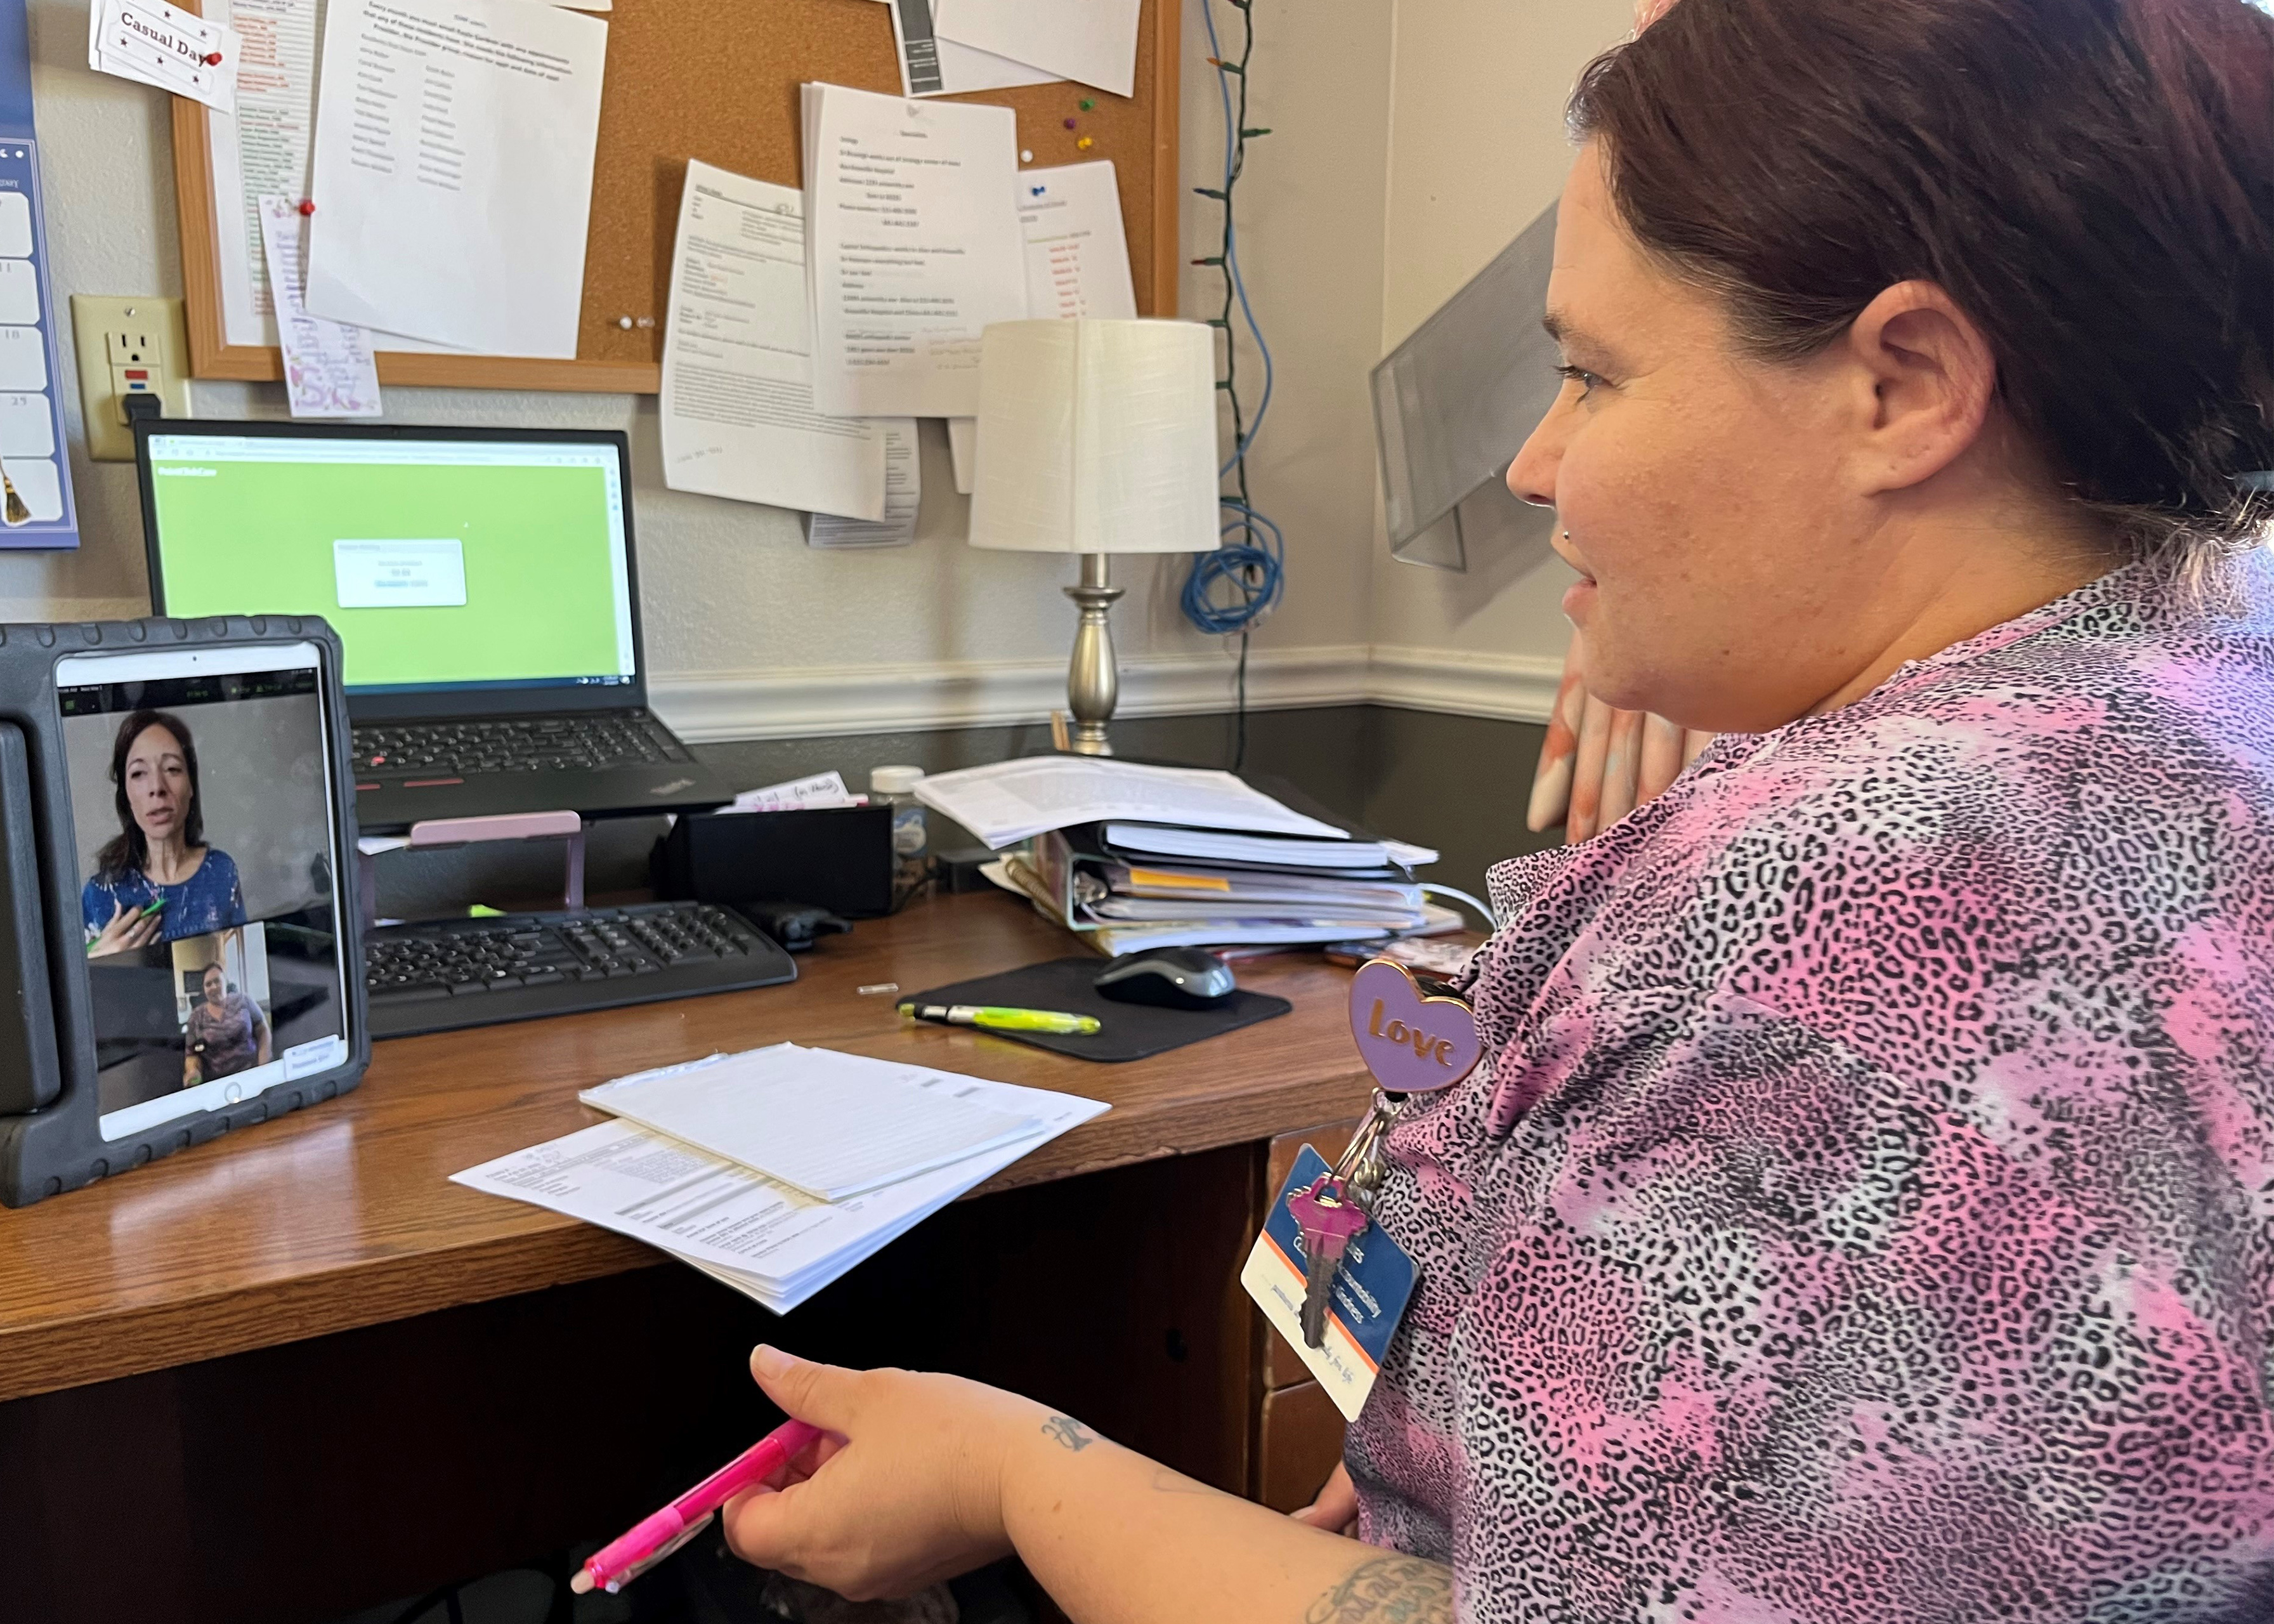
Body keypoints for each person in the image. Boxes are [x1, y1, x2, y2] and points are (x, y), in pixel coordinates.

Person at [710, 1, 2274, 1620]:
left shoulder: (1863, 890)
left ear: (1905, 383)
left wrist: (1013, 1471)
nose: (1533, 466)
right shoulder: (2200, 675)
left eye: (1592, 375)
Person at [82, 709, 247, 958]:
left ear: (191, 785)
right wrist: (97, 963)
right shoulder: (100, 894)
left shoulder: (222, 871)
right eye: (138, 774)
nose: (157, 788)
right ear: (126, 795)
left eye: (172, 769)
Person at [181, 960, 270, 1085]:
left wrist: (264, 1066)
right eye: (208, 984)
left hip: (252, 1072)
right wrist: (193, 1071)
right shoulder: (196, 1017)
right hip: (218, 1082)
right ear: (204, 989)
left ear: (225, 982)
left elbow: (263, 1030)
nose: (214, 987)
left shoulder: (244, 1000)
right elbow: (191, 1054)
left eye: (217, 981)